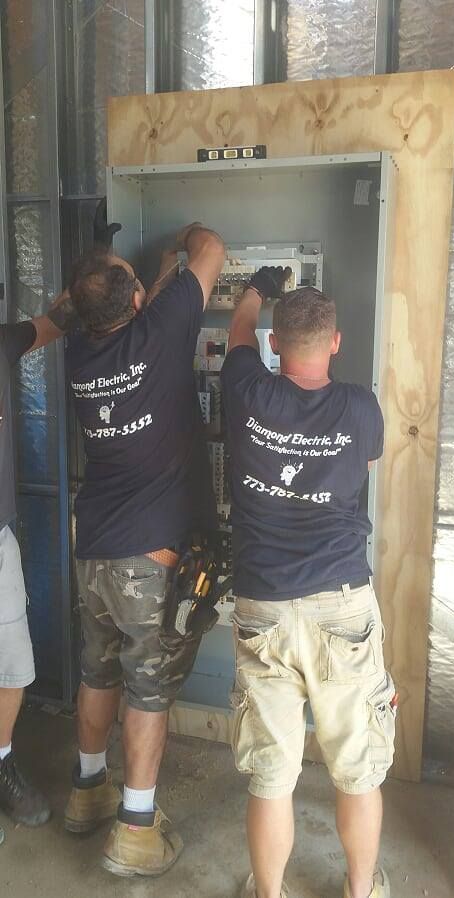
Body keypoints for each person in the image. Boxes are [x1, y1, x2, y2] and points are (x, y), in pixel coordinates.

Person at [220, 268, 395, 898]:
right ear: (337, 343)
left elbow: (237, 331)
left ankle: (269, 893)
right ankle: (359, 890)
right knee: (358, 768)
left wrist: (256, 292)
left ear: (274, 342)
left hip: (262, 603)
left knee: (271, 774)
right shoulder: (359, 407)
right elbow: (367, 460)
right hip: (342, 605)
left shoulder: (245, 389)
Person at [63, 222, 225, 878]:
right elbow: (211, 248)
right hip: (147, 556)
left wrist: (155, 271)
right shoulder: (160, 331)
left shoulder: (78, 351)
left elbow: (139, 304)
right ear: (136, 305)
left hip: (94, 545)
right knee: (148, 688)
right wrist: (184, 238)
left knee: (98, 672)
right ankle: (134, 829)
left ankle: (86, 790)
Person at [0, 292, 77, 836]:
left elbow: (52, 324)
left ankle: (0, 759)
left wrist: (91, 289)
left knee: (13, 670)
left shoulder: (2, 342)